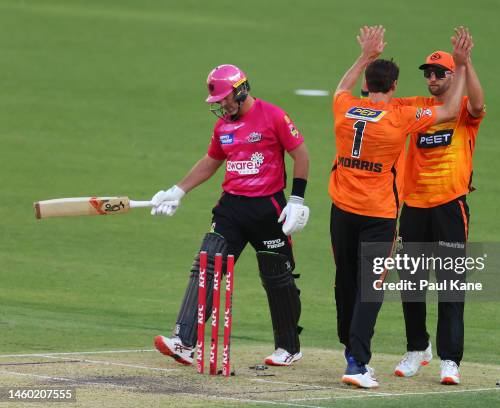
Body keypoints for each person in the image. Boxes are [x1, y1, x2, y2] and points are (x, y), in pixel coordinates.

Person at [330, 26, 469, 388]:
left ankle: (351, 350)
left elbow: (341, 88)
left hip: (340, 209)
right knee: (369, 287)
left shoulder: (345, 108)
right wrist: (463, 65)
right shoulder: (398, 117)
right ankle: (357, 364)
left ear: (368, 84)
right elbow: (452, 108)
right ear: (393, 88)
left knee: (344, 281)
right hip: (377, 214)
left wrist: (365, 55)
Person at [150, 64, 310, 367]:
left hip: (269, 210)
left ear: (241, 90)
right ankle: (184, 342)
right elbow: (211, 162)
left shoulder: (273, 115)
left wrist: (297, 200)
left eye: (225, 98)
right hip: (231, 210)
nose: (222, 105)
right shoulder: (223, 127)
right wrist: (178, 190)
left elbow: (300, 154)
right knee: (207, 264)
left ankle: (289, 346)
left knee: (278, 278)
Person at [390, 27, 485, 385]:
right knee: (411, 281)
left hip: (449, 206)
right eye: (427, 73)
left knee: (450, 283)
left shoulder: (463, 110)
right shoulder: (415, 108)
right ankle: (417, 349)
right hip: (413, 206)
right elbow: (381, 102)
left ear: (452, 75)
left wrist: (466, 65)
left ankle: (451, 359)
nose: (431, 78)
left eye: (439, 72)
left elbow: (477, 104)